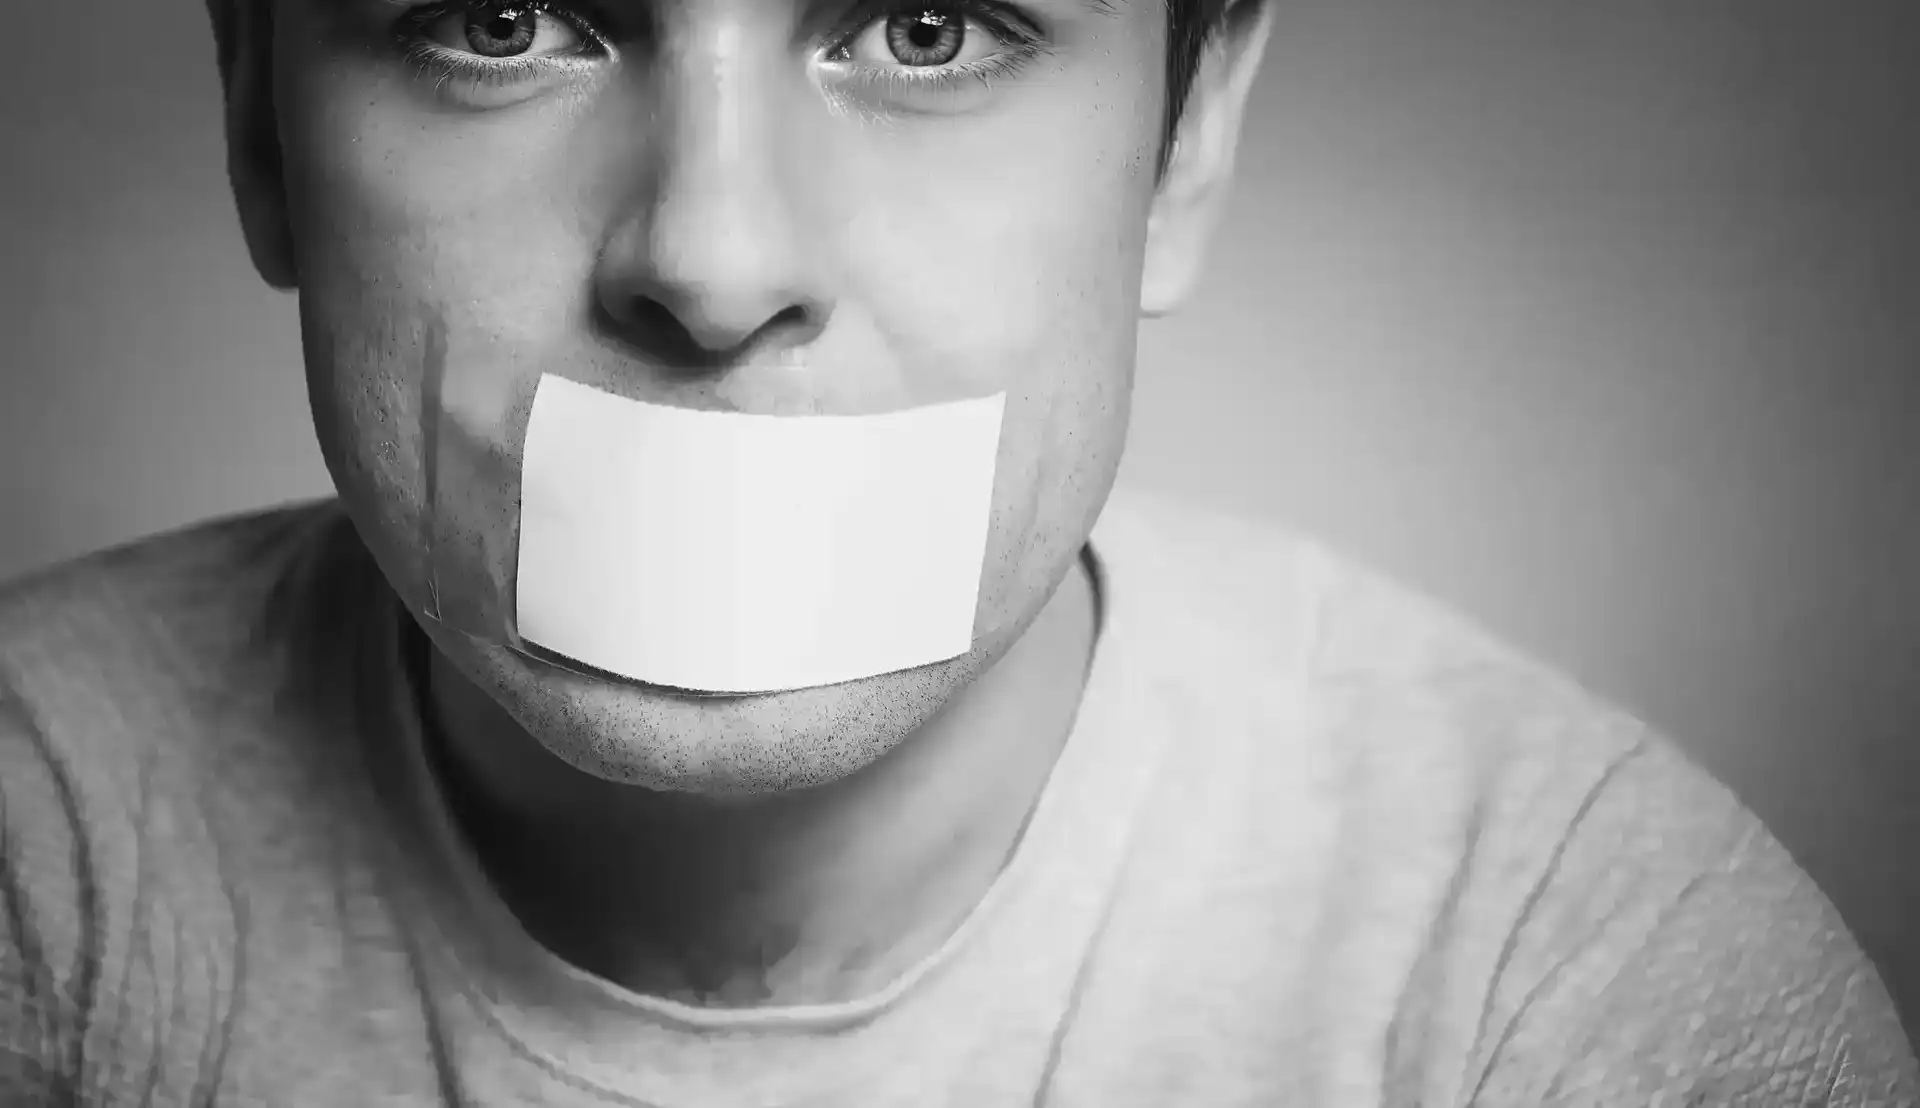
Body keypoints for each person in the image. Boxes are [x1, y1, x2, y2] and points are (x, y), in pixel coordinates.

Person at [2, 0, 1914, 1102]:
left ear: (1185, 133)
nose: (714, 256)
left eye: (926, 24)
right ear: (259, 118)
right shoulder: (42, 875)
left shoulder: (1574, 994)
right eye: (502, 17)